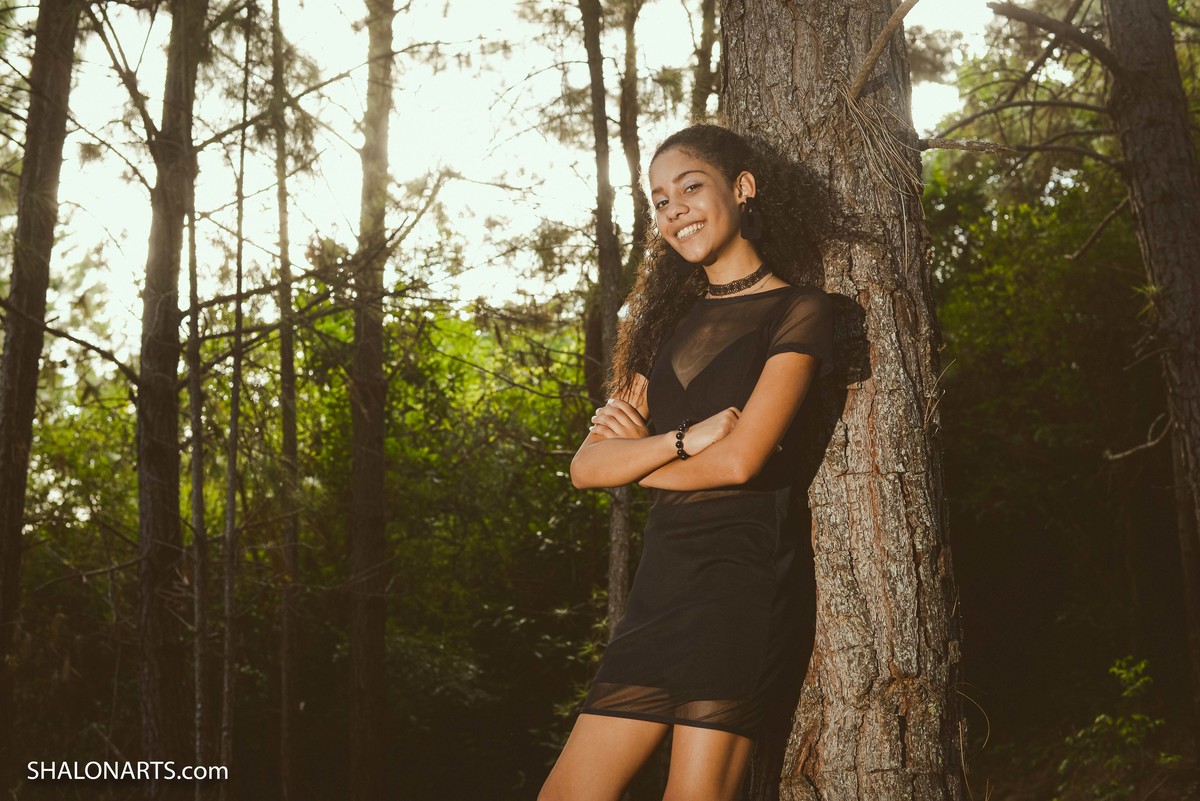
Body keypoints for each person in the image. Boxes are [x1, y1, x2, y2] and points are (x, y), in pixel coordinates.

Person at [538, 123, 834, 801]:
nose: (676, 211)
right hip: (660, 588)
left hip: (741, 586)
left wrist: (634, 461)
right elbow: (585, 468)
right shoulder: (661, 328)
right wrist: (682, 440)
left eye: (691, 187)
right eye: (661, 200)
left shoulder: (799, 310)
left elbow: (739, 462)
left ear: (743, 187)